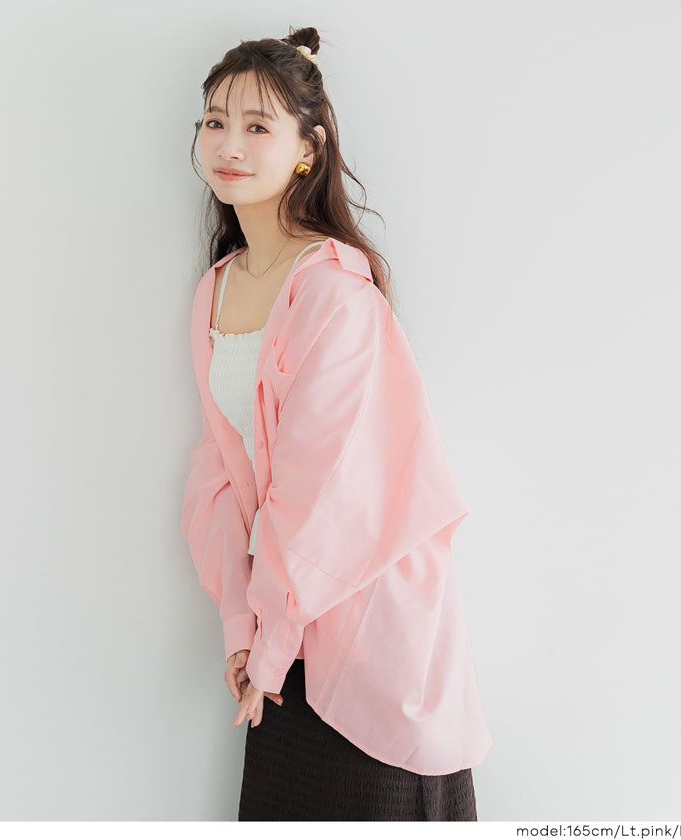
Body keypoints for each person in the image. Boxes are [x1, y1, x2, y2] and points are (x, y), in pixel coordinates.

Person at [180, 26, 492, 821]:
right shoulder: (216, 288)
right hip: (284, 620)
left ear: (307, 149)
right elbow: (221, 471)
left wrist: (270, 644)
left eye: (258, 126)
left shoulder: (334, 294)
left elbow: (324, 494)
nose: (229, 145)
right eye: (215, 121)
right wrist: (242, 625)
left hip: (363, 626)